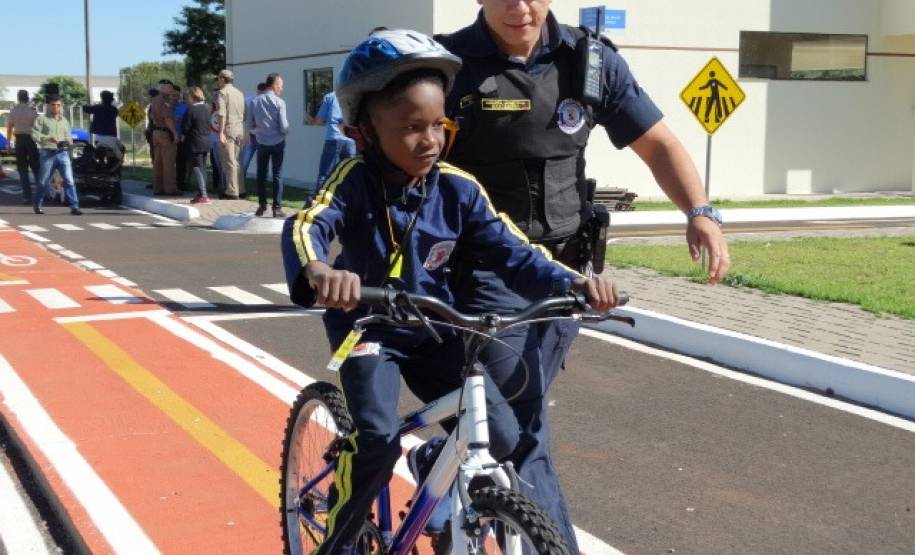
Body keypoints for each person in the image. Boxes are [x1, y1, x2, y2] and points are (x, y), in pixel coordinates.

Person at [280, 29, 618, 554]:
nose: (430, 140)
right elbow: (308, 225)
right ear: (365, 131)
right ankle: (339, 545)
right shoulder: (351, 179)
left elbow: (515, 250)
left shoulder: (458, 187)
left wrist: (574, 283)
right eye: (411, 127)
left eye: (439, 125)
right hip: (370, 329)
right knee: (374, 441)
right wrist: (320, 269)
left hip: (435, 325)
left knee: (503, 436)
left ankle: (430, 459)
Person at [433, 2, 731, 551]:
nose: (519, 7)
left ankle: (450, 468)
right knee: (519, 430)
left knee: (513, 419)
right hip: (482, 273)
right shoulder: (447, 64)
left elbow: (658, 143)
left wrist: (700, 212)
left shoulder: (590, 62)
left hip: (570, 275)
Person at [31, 93, 81, 215]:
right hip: (48, 153)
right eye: (53, 105)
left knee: (69, 180)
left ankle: (74, 206)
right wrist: (48, 138)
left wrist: (70, 142)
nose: (56, 107)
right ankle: (37, 204)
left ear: (61, 106)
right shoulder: (41, 119)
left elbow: (68, 135)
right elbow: (34, 135)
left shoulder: (64, 120)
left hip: (62, 153)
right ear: (48, 106)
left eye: (58, 105)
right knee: (43, 182)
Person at [247, 72, 289, 217]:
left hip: (261, 142)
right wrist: (285, 133)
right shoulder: (280, 102)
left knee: (261, 174)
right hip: (278, 142)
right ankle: (277, 208)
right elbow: (284, 126)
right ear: (275, 85)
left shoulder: (254, 101)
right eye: (280, 86)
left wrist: (259, 131)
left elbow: (250, 124)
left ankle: (262, 205)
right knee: (277, 174)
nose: (281, 89)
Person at [309, 90, 356, 192]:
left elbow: (319, 120)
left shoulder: (330, 97)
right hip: (350, 140)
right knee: (350, 174)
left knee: (324, 174)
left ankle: (318, 203)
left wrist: (310, 120)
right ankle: (348, 203)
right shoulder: (353, 95)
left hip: (333, 138)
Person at [215, 69, 246, 199]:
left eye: (218, 78)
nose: (218, 81)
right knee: (237, 160)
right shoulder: (239, 93)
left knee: (229, 161)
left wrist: (221, 132)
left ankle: (232, 191)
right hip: (239, 127)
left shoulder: (222, 93)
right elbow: (245, 114)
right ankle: (241, 189)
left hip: (229, 128)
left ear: (223, 79)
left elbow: (221, 114)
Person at [181, 87, 213, 204]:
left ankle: (204, 194)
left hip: (194, 142)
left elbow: (185, 127)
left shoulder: (191, 110)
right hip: (206, 140)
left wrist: (182, 136)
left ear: (193, 96)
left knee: (197, 168)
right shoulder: (207, 108)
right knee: (202, 167)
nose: (186, 99)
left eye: (188, 96)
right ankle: (201, 193)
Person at [7, 90, 39, 204]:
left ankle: (27, 196)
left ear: (18, 98)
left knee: (22, 169)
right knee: (36, 167)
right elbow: (37, 127)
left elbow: (10, 127)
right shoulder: (32, 111)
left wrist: (8, 143)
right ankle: (41, 194)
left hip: (19, 140)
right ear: (27, 98)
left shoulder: (14, 111)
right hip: (31, 139)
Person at [149, 79, 179, 195]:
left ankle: (158, 188)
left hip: (156, 132)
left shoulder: (154, 100)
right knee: (168, 162)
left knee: (158, 162)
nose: (171, 90)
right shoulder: (165, 100)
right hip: (165, 133)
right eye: (169, 88)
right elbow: (167, 118)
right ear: (163, 88)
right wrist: (174, 133)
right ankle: (170, 189)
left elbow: (152, 116)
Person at [82, 90, 120, 157]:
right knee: (112, 153)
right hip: (111, 134)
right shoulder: (114, 109)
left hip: (98, 134)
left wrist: (89, 105)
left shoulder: (97, 108)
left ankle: (100, 161)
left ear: (102, 99)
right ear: (110, 100)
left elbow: (85, 108)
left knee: (98, 151)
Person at [241, 82, 267, 176]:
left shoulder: (248, 100)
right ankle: (241, 185)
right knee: (246, 162)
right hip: (254, 135)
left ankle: (241, 185)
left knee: (247, 162)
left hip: (256, 135)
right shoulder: (249, 100)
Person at [173, 86, 189, 191]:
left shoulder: (186, 107)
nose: (176, 97)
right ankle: (172, 182)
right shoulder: (169, 107)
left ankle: (181, 183)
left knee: (182, 162)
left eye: (178, 95)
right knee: (171, 161)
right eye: (174, 95)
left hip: (183, 138)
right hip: (171, 137)